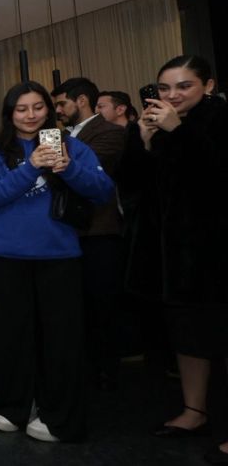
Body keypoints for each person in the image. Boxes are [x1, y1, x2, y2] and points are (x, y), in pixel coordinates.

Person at [0, 81, 114, 442]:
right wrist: (31, 166)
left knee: (62, 340)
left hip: (59, 255)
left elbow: (103, 191)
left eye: (38, 107)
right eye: (21, 109)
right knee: (12, 337)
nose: (30, 115)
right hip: (7, 256)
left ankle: (60, 417)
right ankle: (13, 405)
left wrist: (67, 168)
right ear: (10, 114)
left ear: (49, 110)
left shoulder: (73, 146)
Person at [116, 55, 228, 464]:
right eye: (164, 88)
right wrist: (144, 143)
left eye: (184, 86)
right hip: (168, 254)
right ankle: (194, 411)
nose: (172, 95)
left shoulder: (217, 120)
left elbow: (214, 177)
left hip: (213, 250)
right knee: (187, 335)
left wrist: (176, 132)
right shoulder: (152, 124)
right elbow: (129, 185)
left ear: (208, 86)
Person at [52, 78, 127, 390]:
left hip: (99, 229)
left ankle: (107, 370)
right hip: (68, 231)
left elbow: (88, 170)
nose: (57, 111)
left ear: (80, 101)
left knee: (102, 304)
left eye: (61, 104)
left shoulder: (110, 132)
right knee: (76, 305)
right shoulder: (64, 135)